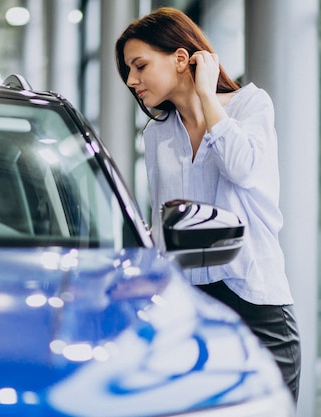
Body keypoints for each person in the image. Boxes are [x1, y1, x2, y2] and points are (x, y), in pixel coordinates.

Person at [115, 7, 301, 402]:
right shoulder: (156, 134)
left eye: (140, 65)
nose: (132, 80)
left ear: (181, 58)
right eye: (129, 70)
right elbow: (162, 220)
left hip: (254, 300)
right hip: (189, 308)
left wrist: (204, 93)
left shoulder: (251, 105)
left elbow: (242, 168)